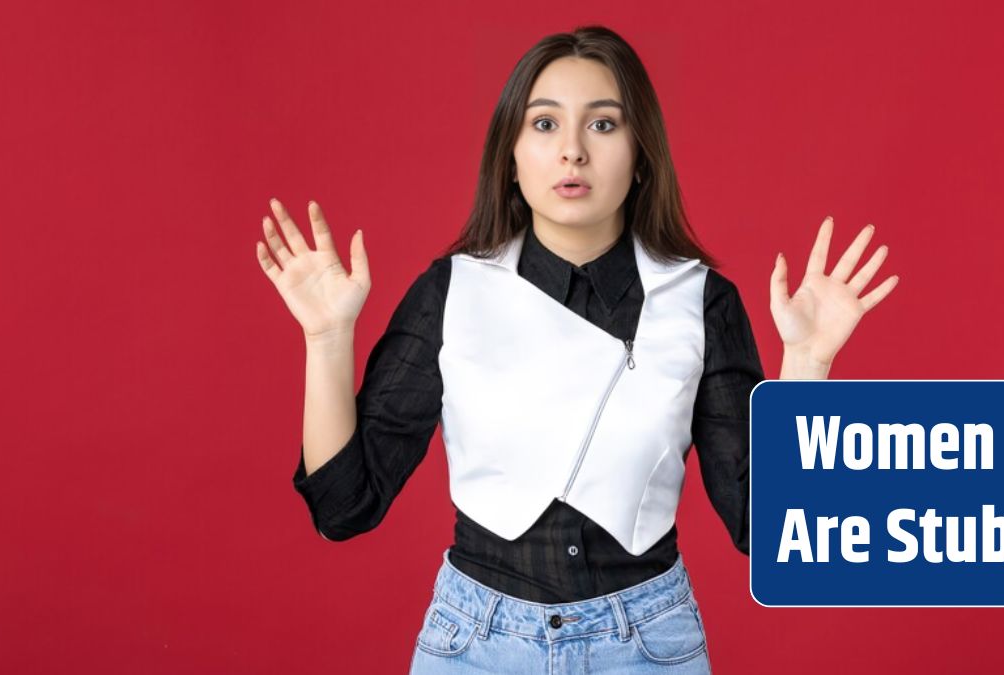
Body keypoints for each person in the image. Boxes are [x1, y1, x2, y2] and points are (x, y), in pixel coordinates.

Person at [255, 25, 897, 675]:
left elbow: (773, 532)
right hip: (474, 647)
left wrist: (808, 363)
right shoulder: (451, 293)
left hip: (650, 647)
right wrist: (327, 338)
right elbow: (343, 507)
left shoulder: (699, 300)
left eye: (602, 125)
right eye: (543, 124)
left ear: (641, 153)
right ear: (509, 154)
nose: (571, 152)